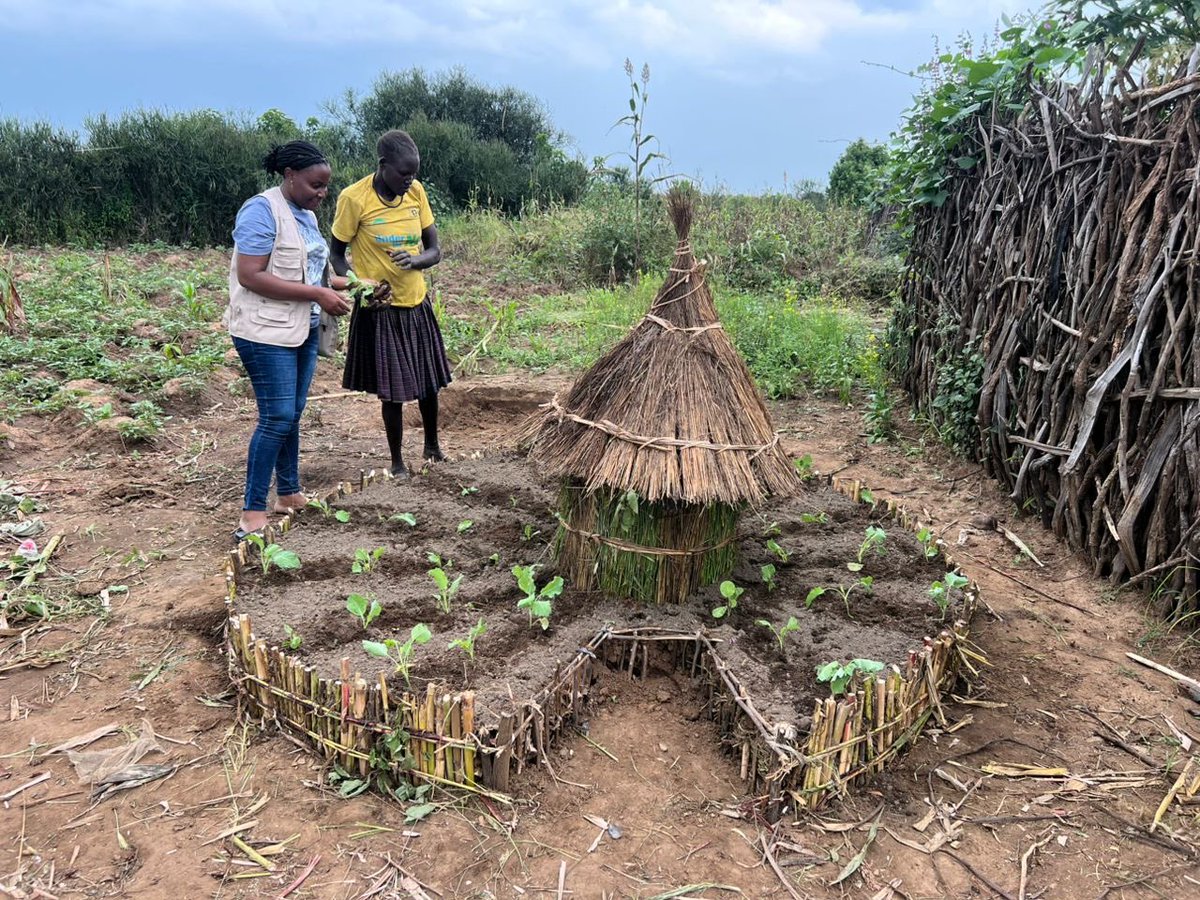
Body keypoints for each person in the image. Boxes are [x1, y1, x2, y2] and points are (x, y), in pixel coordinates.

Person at [224, 140, 386, 540]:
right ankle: (252, 512)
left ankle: (289, 493)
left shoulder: (307, 217)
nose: (322, 193)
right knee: (276, 416)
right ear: (290, 175)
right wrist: (317, 295)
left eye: (326, 186)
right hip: (264, 332)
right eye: (316, 185)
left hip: (302, 328)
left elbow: (318, 275)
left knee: (292, 413)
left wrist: (357, 285)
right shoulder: (261, 211)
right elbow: (250, 275)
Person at [331, 129, 451, 481]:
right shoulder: (354, 198)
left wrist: (415, 261)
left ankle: (432, 447)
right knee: (393, 392)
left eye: (413, 173)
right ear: (383, 165)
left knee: (429, 383)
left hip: (416, 302)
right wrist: (360, 286)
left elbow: (434, 250)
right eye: (403, 173)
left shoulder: (416, 193)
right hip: (381, 309)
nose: (409, 180)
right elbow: (336, 256)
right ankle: (397, 462)